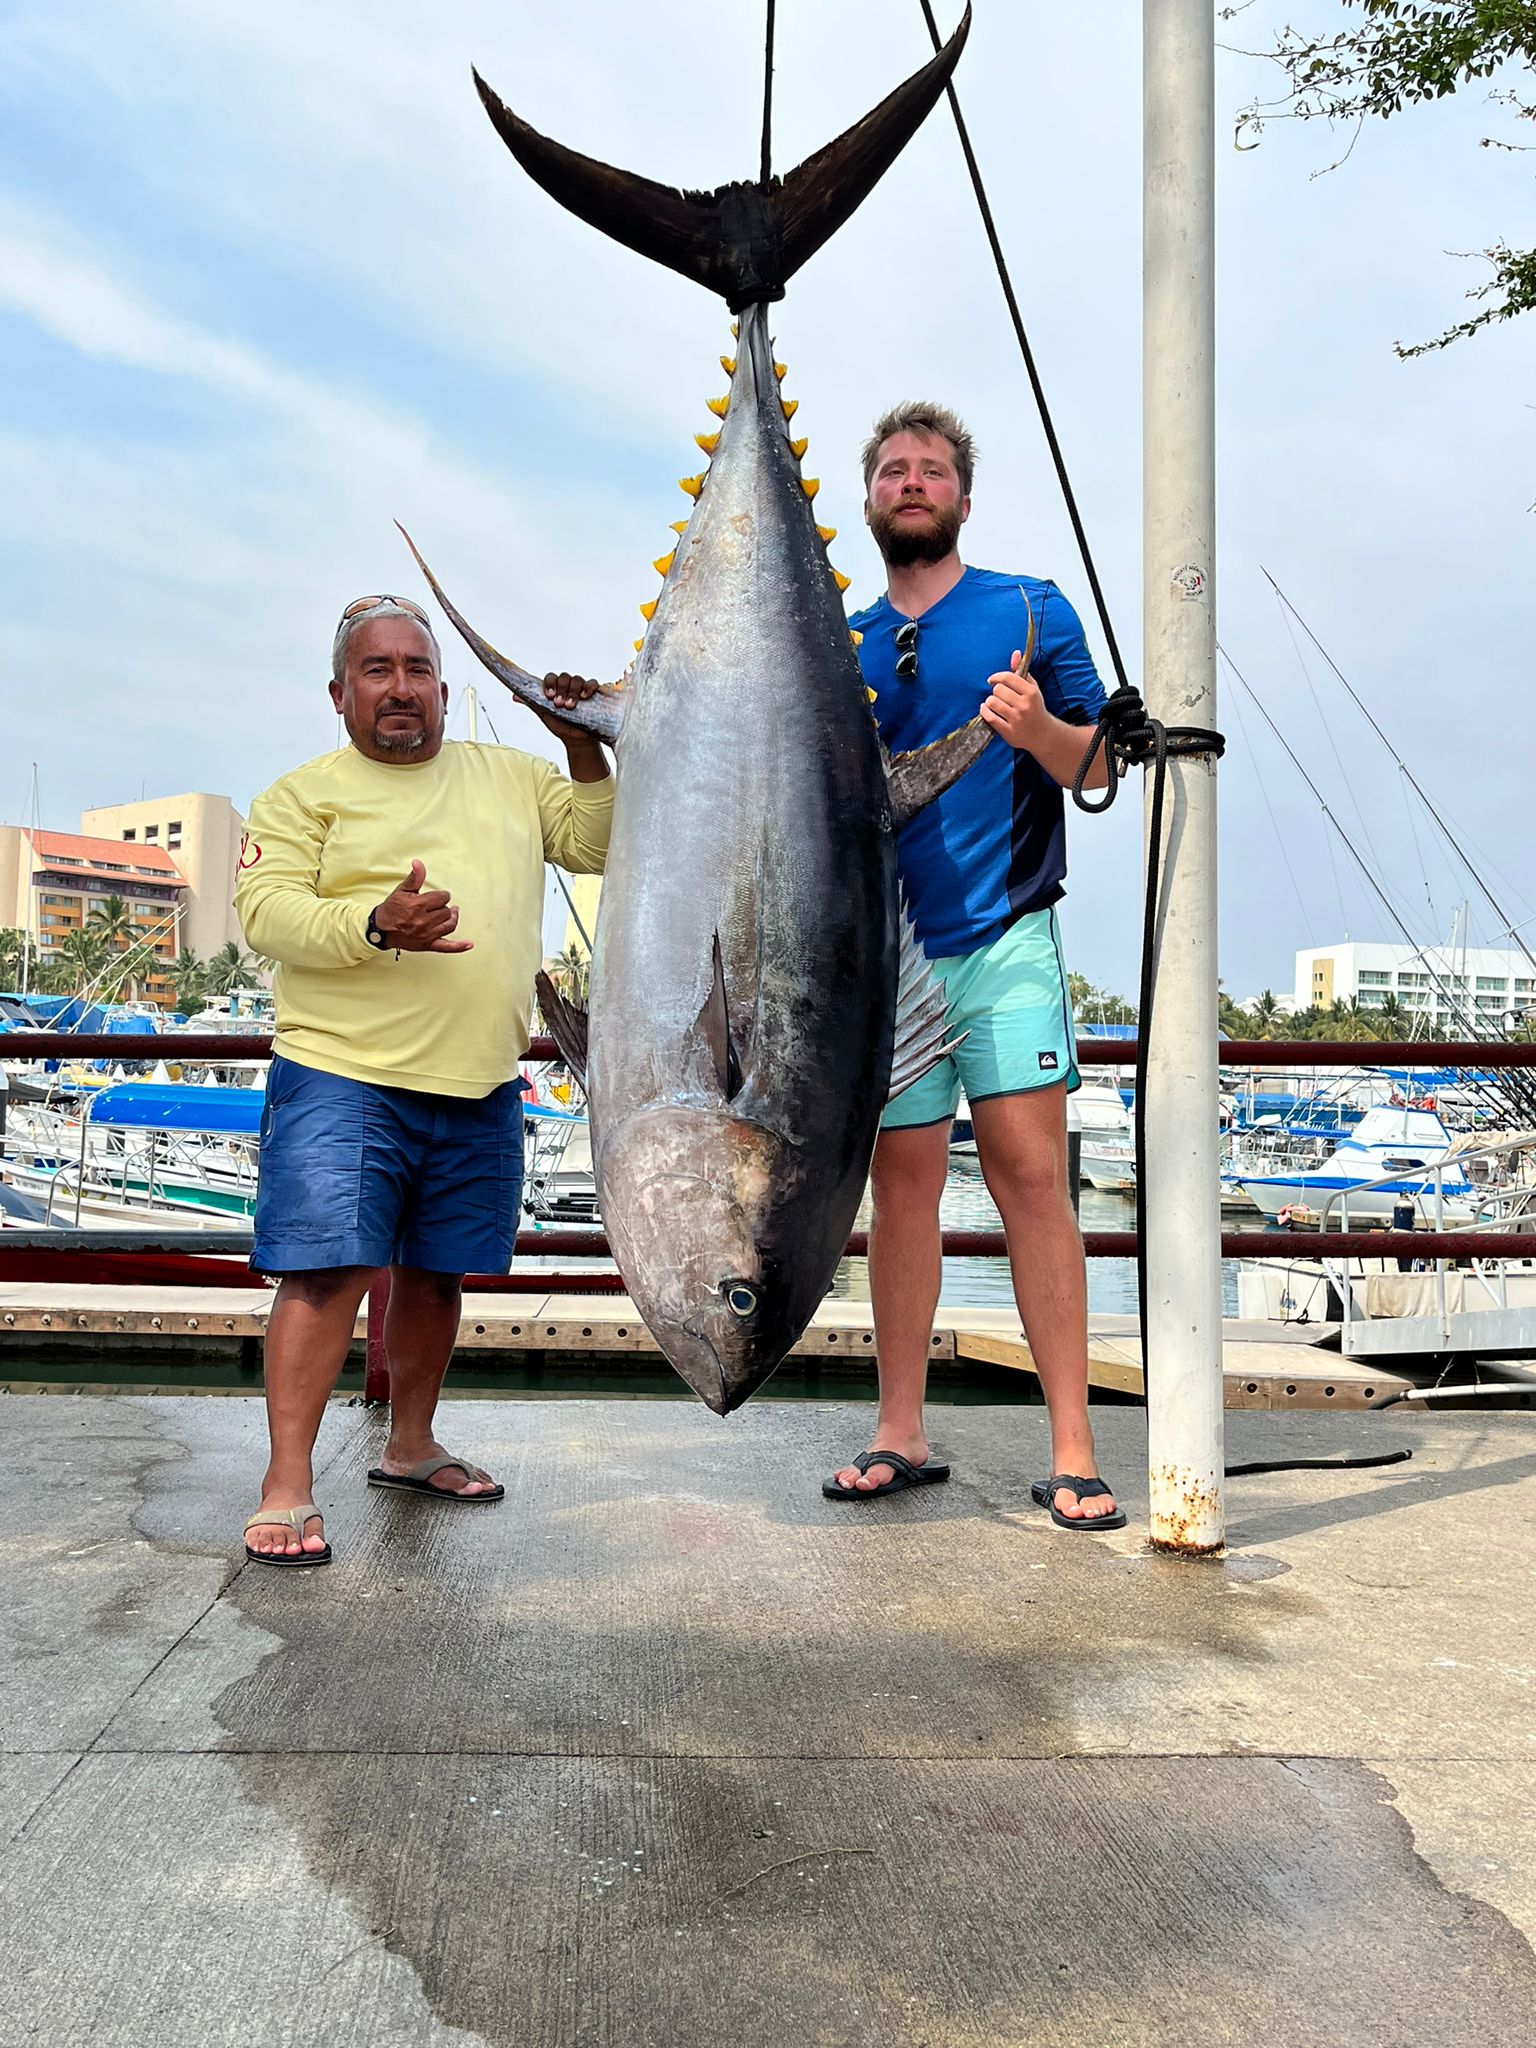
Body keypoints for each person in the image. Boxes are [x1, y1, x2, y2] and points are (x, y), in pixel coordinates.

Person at [235, 594, 611, 1564]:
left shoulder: (514, 777)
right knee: (325, 1272)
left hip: (479, 1078)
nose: (400, 687)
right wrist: (374, 923)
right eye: (378, 669)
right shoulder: (298, 796)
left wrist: (580, 747)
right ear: (339, 691)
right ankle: (287, 1484)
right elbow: (265, 913)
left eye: (416, 669)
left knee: (436, 1274)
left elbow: (599, 840)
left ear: (442, 688)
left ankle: (411, 1443)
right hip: (341, 1073)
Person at [824, 402, 1126, 1529]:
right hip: (883, 955)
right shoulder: (836, 641)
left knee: (1031, 1180)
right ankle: (900, 1428)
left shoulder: (1029, 607)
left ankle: (1074, 1448)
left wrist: (1036, 730)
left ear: (963, 494)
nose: (912, 483)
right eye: (894, 470)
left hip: (1002, 935)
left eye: (932, 469)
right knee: (898, 1190)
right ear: (868, 498)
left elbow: (1101, 764)